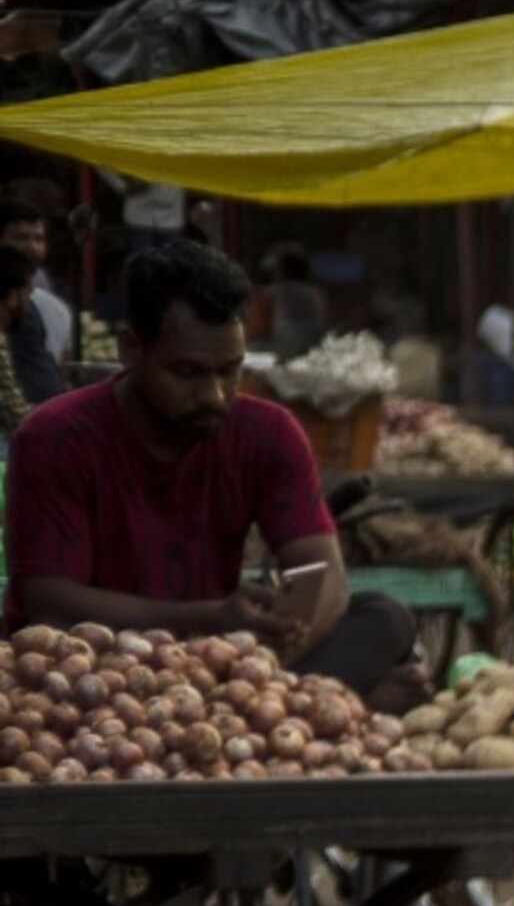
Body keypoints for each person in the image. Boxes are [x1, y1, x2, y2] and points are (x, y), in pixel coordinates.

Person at [4, 232, 416, 701]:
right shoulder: (57, 436)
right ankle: (319, 701)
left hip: (219, 666)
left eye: (230, 370)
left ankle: (253, 708)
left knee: (384, 618)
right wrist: (207, 618)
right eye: (188, 373)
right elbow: (49, 602)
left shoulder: (268, 432)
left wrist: (278, 644)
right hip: (96, 674)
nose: (215, 395)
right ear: (131, 349)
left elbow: (321, 569)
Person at [3, 181, 81, 419]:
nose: (31, 247)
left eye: (38, 239)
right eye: (21, 237)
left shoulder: (53, 307)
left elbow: (60, 366)